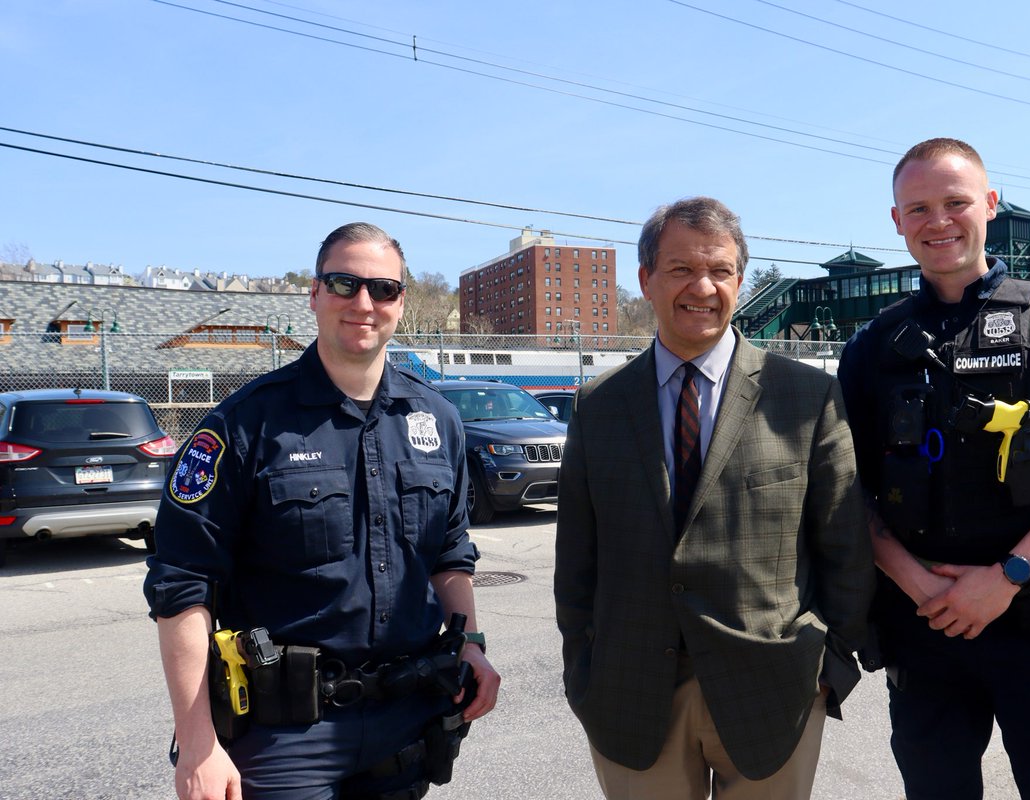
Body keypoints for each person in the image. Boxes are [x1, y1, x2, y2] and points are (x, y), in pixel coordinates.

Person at [144, 222, 500, 800]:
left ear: (401, 303)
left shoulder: (437, 420)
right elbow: (183, 585)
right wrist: (197, 741)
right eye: (344, 283)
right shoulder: (242, 426)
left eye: (383, 289)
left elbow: (450, 552)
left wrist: (471, 644)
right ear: (313, 294)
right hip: (285, 736)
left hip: (406, 718)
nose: (364, 303)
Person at [837, 138, 1030, 800]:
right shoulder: (870, 349)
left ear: (991, 206)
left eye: (956, 202)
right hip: (924, 627)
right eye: (918, 208)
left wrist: (1007, 576)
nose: (938, 221)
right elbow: (843, 489)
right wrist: (916, 582)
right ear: (896, 221)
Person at [555, 196, 875, 799]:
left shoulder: (807, 397)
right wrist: (584, 670)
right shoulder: (598, 405)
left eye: (720, 270)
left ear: (739, 280)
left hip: (773, 693)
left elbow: (845, 546)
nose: (701, 286)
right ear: (646, 279)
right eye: (680, 269)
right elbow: (577, 559)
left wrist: (829, 668)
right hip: (629, 696)